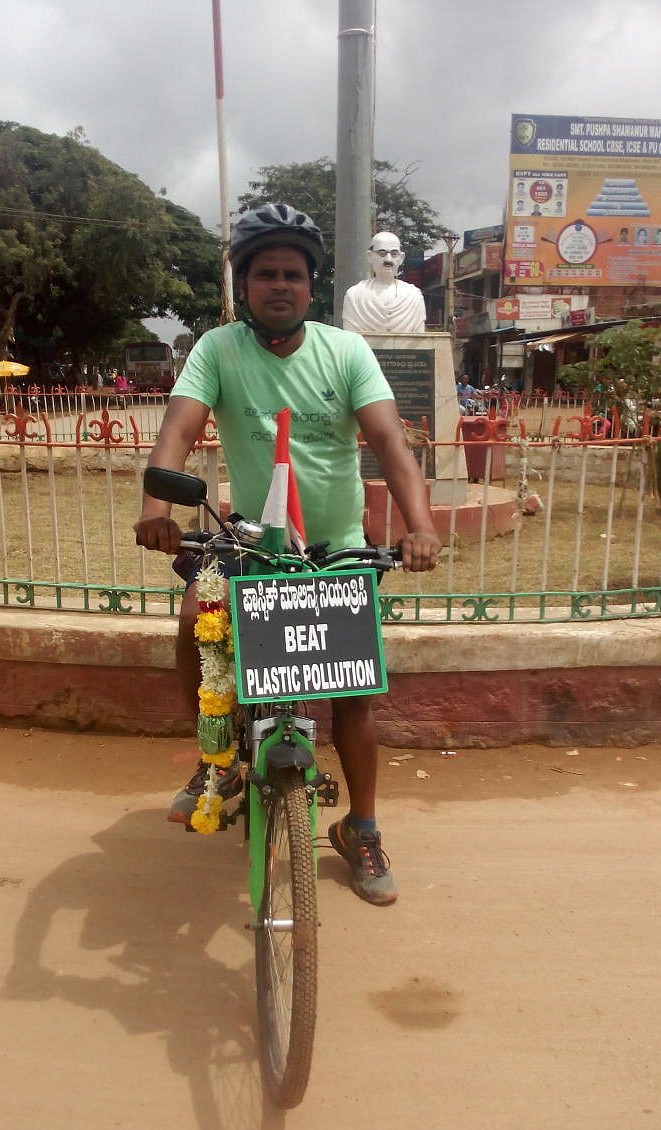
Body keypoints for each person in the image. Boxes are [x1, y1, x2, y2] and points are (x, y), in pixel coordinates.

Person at [134, 203, 442, 905]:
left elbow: (390, 442)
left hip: (338, 550)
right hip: (249, 540)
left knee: (355, 696)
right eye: (265, 273)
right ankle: (218, 759)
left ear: (311, 285)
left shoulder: (346, 352)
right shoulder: (218, 350)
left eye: (293, 275)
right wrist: (157, 512)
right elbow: (177, 432)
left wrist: (420, 526)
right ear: (244, 285)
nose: (280, 285)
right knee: (192, 624)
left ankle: (361, 828)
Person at [341, 231, 426, 334]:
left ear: (401, 258)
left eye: (394, 254)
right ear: (369, 256)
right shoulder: (355, 296)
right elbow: (350, 339)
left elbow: (419, 340)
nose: (388, 259)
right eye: (382, 253)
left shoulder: (413, 296)